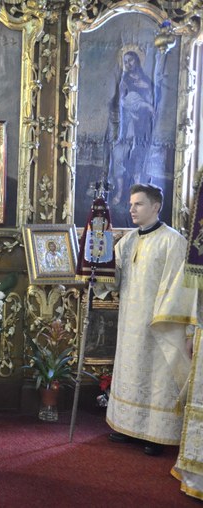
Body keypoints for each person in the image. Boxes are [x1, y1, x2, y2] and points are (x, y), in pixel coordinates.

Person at [95, 183, 196, 456]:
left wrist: (172, 323)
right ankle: (128, 427)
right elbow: (114, 279)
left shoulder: (173, 241)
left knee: (157, 378)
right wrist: (97, 266)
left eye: (138, 204)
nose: (132, 209)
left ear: (155, 206)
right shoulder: (127, 241)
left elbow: (182, 287)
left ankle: (157, 434)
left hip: (160, 323)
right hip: (130, 322)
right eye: (130, 204)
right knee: (130, 371)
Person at [105, 50, 154, 207]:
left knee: (137, 160)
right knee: (119, 158)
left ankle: (136, 197)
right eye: (125, 61)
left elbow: (152, 105)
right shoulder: (124, 80)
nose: (128, 64)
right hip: (126, 126)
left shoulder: (147, 82)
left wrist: (146, 92)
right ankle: (119, 192)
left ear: (137, 61)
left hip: (141, 128)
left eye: (130, 60)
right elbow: (120, 101)